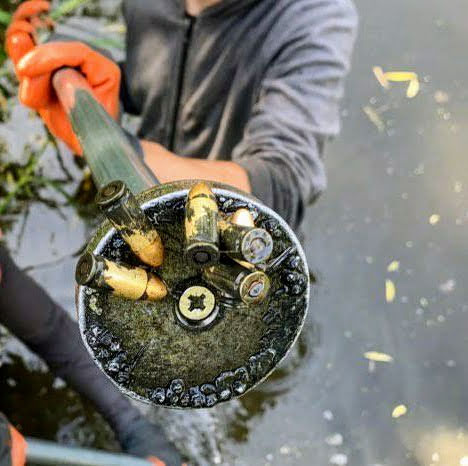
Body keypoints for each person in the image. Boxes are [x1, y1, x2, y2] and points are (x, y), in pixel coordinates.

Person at [7, 0, 358, 232]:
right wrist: (107, 85)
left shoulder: (315, 18)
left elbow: (281, 184)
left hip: (228, 231)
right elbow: (157, 77)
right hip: (145, 174)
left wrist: (111, 146)